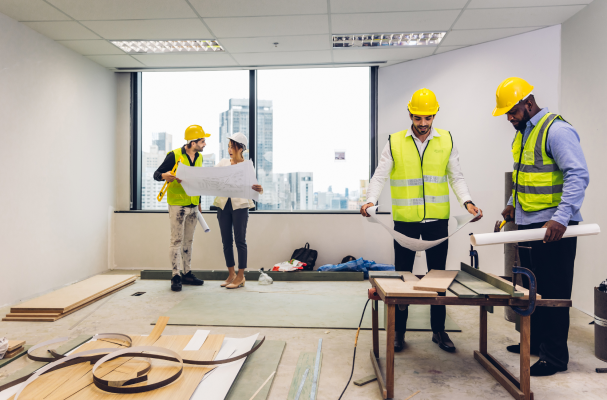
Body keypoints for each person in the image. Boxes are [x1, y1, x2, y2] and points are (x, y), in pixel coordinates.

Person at [360, 88, 483, 353]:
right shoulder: (394, 142)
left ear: (435, 114)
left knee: (438, 279)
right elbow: (380, 175)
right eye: (418, 118)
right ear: (410, 115)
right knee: (402, 280)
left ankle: (439, 331)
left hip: (438, 222)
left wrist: (468, 202)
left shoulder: (446, 140)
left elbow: (456, 176)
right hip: (405, 223)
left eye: (428, 118)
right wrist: (370, 200)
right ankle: (398, 333)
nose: (423, 124)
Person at [492, 77, 589, 376]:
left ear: (529, 103)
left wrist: (561, 217)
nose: (509, 117)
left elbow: (578, 175)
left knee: (553, 294)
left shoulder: (556, 130)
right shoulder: (522, 134)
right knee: (534, 291)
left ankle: (555, 357)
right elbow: (524, 175)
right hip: (529, 226)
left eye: (512, 111)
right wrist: (511, 202)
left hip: (553, 230)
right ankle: (535, 344)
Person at [154, 125, 208, 292]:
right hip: (177, 204)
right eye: (202, 141)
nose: (204, 144)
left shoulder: (199, 157)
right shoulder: (174, 155)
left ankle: (187, 273)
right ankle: (175, 275)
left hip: (193, 205)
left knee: (188, 241)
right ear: (192, 142)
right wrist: (165, 175)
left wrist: (199, 202)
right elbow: (157, 174)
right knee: (176, 240)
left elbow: (197, 180)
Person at [214, 132, 263, 289]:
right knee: (226, 241)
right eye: (228, 147)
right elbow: (210, 178)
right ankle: (231, 274)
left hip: (240, 206)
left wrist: (260, 189)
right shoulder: (222, 163)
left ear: (241, 149)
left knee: (240, 241)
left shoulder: (248, 165)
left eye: (233, 147)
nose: (229, 150)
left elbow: (254, 188)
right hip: (223, 205)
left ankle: (241, 276)